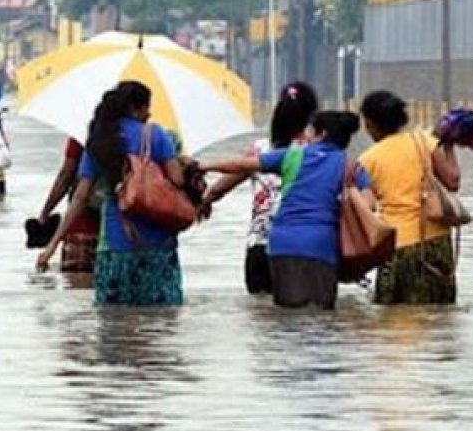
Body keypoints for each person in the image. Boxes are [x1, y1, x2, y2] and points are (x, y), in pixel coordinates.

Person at [200, 111, 370, 309]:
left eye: (310, 130)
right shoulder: (350, 167)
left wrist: (206, 166)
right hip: (321, 245)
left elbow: (242, 165)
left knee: (287, 315)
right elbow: (368, 205)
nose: (306, 134)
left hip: (282, 243)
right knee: (320, 314)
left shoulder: (293, 155)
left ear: (321, 134)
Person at [36, 81, 186, 306]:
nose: (150, 113)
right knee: (157, 330)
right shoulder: (157, 135)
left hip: (114, 245)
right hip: (157, 245)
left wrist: (52, 246)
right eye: (147, 107)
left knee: (113, 329)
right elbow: (178, 181)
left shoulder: (99, 141)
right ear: (136, 108)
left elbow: (79, 198)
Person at [201, 82, 318, 295]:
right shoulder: (316, 153)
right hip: (302, 246)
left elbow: (222, 187)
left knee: (262, 320)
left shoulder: (259, 149)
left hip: (260, 246)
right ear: (312, 117)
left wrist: (204, 201)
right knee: (305, 318)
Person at [359, 91, 461, 304]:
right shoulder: (423, 141)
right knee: (439, 316)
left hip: (396, 246)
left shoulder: (367, 160)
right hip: (435, 242)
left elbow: (366, 207)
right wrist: (449, 145)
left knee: (394, 320)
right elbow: (452, 181)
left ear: (369, 124)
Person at [36, 137, 101, 274]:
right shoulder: (144, 137)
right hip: (123, 229)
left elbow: (66, 176)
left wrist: (45, 213)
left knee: (78, 286)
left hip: (82, 224)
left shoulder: (84, 135)